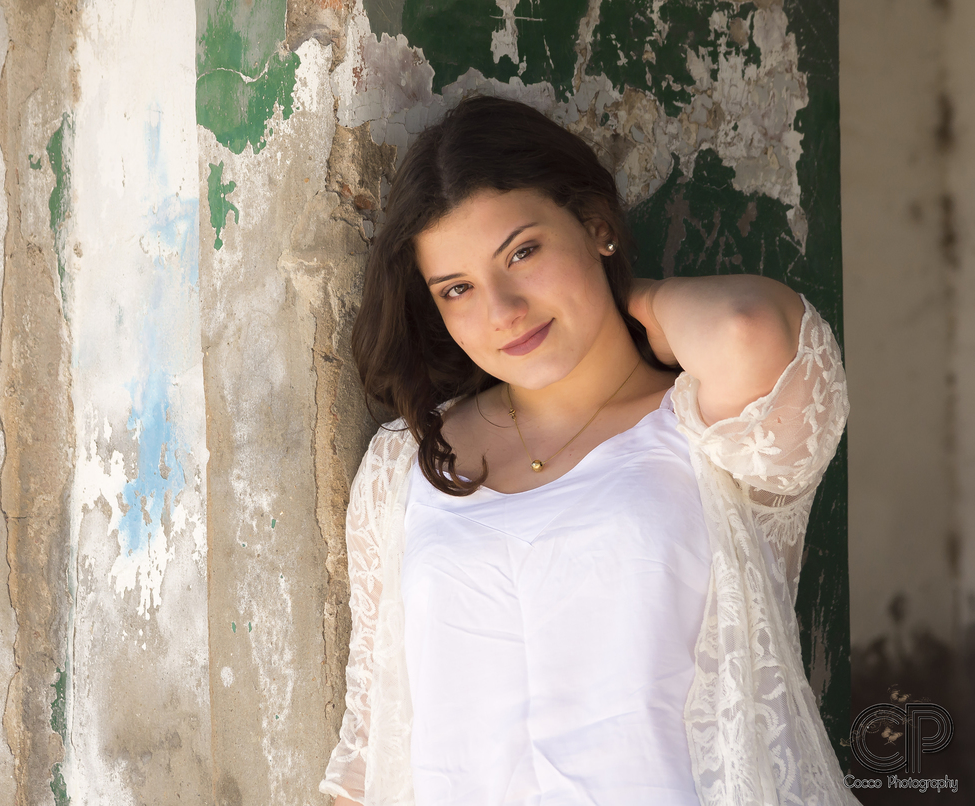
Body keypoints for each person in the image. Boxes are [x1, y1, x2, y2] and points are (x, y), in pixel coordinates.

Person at [319, 96, 859, 806]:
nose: (504, 311)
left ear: (596, 225)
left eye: (524, 252)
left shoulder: (710, 430)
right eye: (458, 289)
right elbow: (369, 746)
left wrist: (620, 296)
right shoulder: (407, 463)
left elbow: (745, 327)